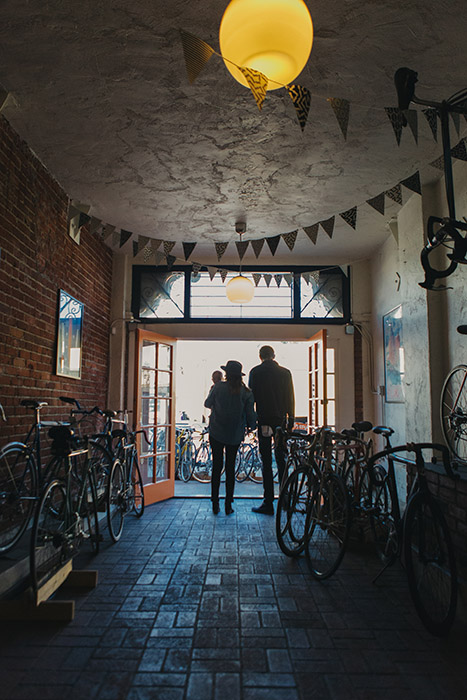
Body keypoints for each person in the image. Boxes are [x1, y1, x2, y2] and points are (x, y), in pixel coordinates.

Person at [204, 360, 256, 515]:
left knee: (216, 467)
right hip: (234, 434)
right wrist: (252, 427)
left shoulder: (218, 387)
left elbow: (207, 403)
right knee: (230, 468)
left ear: (226, 374)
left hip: (216, 432)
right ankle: (228, 504)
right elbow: (250, 414)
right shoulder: (246, 392)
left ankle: (215, 502)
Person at [248, 345, 295, 515]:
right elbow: (290, 397)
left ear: (260, 356)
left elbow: (251, 399)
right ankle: (286, 498)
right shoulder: (285, 373)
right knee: (282, 459)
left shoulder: (255, 372)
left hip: (264, 421)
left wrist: (251, 421)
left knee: (266, 461)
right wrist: (291, 419)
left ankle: (268, 501)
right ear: (274, 356)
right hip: (280, 421)